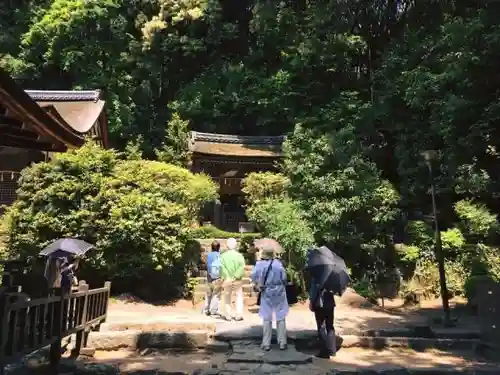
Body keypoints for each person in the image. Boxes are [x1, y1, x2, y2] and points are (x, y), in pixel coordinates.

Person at [251, 246, 289, 351]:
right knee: (281, 316)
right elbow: (285, 278)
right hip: (280, 291)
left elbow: (253, 277)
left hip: (267, 291)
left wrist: (258, 283)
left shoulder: (259, 265)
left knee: (267, 317)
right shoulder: (278, 264)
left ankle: (266, 343)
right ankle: (282, 342)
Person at [309, 274, 336, 358]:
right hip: (330, 303)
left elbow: (314, 289)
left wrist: (311, 302)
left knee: (321, 327)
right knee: (330, 326)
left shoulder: (318, 274)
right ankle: (332, 350)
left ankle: (324, 352)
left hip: (320, 304)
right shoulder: (332, 275)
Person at [220, 237, 245, 321]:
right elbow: (242, 267)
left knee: (227, 296)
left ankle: (228, 314)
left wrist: (227, 277)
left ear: (227, 246)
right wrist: (235, 276)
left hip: (227, 279)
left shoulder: (223, 256)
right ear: (235, 245)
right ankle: (239, 314)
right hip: (237, 279)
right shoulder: (240, 256)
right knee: (239, 295)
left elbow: (222, 268)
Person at [203, 240, 222, 316]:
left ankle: (206, 309)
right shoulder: (220, 255)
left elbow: (207, 265)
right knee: (216, 294)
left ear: (211, 247)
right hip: (218, 277)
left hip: (209, 276)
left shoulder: (209, 255)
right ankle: (213, 310)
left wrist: (209, 273)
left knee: (208, 293)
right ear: (219, 248)